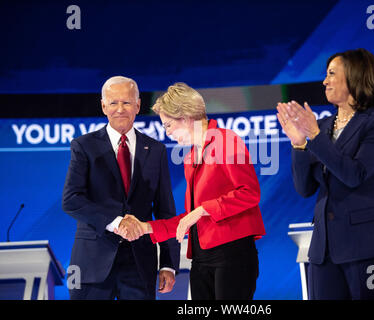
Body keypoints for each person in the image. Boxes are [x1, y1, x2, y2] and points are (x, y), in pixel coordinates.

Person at [276, 48, 374, 300]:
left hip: (369, 244)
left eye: (331, 74)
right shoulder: (322, 126)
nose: (324, 81)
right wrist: (299, 144)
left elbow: (354, 175)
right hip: (325, 248)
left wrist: (314, 137)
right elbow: (304, 189)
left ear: (355, 76)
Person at [116, 82, 266, 300]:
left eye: (168, 125)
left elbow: (249, 193)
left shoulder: (226, 140)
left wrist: (202, 210)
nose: (167, 133)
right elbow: (190, 218)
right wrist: (146, 227)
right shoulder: (190, 158)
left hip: (231, 254)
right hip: (202, 257)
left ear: (185, 117)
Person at [62, 76, 180, 300]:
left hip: (139, 264)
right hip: (91, 264)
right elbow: (71, 199)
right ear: (103, 106)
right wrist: (117, 222)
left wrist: (168, 263)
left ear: (137, 105)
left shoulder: (155, 150)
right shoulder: (84, 146)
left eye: (126, 102)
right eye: (113, 102)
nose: (120, 109)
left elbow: (165, 210)